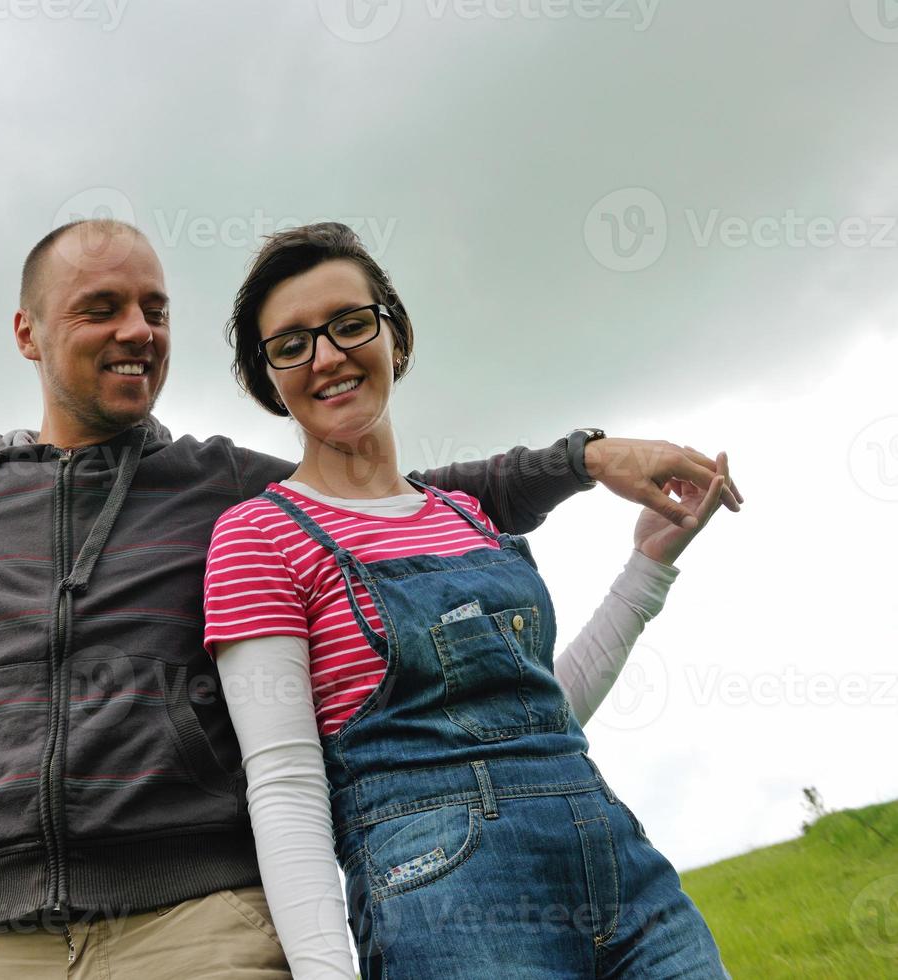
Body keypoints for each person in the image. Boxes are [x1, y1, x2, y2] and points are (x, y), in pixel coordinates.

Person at [0, 218, 742, 979]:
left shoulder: (231, 490)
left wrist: (588, 456)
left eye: (157, 309)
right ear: (28, 333)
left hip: (202, 926)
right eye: (103, 308)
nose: (139, 330)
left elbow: (411, 497)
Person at [203, 221, 733, 979]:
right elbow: (286, 785)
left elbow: (543, 717)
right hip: (447, 902)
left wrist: (646, 569)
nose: (325, 357)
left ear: (397, 336)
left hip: (621, 868)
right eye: (290, 345)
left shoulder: (465, 515)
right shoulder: (259, 536)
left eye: (349, 325)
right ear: (268, 378)